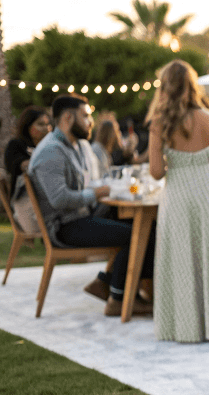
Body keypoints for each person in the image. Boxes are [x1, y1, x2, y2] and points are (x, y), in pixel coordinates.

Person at [25, 93, 154, 317]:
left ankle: (107, 283)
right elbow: (59, 199)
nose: (91, 122)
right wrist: (96, 193)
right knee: (137, 235)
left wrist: (105, 187)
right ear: (68, 118)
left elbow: (89, 182)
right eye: (85, 116)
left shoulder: (77, 146)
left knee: (147, 226)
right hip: (64, 226)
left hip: (82, 216)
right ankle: (118, 299)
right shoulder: (51, 151)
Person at [147, 59, 209, 343]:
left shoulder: (160, 123)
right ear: (192, 86)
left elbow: (156, 172)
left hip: (179, 193)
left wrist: (175, 158)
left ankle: (187, 326)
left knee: (182, 258)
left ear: (165, 88)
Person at [4, 106, 52, 234]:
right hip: (26, 203)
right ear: (27, 126)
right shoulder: (16, 145)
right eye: (40, 124)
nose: (46, 128)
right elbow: (19, 165)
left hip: (47, 200)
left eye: (48, 124)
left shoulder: (51, 146)